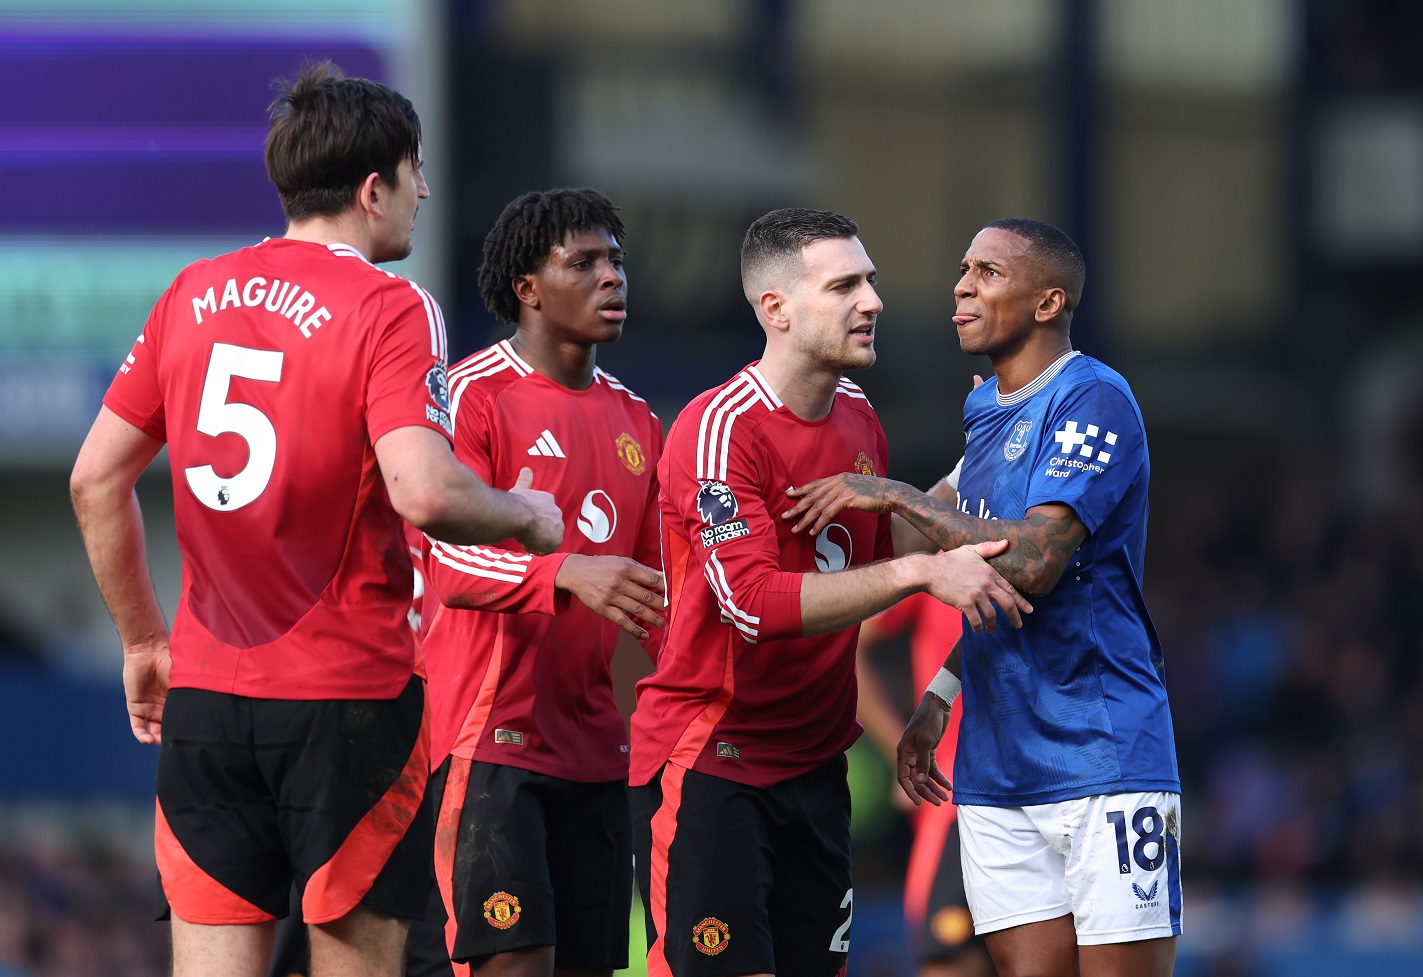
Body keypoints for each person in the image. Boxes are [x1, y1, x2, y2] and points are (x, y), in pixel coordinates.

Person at [68, 62, 563, 977]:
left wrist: (143, 642)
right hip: (349, 706)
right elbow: (425, 492)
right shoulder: (389, 306)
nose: (423, 192)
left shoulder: (191, 292)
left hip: (207, 704)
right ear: (373, 189)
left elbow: (96, 480)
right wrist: (528, 517)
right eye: (415, 174)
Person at [628, 207, 1032, 977]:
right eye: (844, 285)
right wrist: (919, 571)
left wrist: (967, 465)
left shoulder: (857, 417)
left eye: (870, 281)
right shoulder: (720, 427)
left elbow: (877, 553)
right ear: (774, 308)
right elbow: (751, 603)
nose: (871, 301)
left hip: (816, 769)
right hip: (715, 762)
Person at [783, 218, 1181, 977]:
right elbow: (946, 568)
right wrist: (936, 694)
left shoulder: (1093, 396)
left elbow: (1033, 562)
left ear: (1046, 301)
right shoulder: (986, 417)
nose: (961, 285)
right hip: (994, 769)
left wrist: (894, 493)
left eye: (988, 272)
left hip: (1102, 756)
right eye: (963, 269)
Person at [410, 188, 667, 977]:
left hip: (595, 751)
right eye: (582, 263)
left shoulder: (639, 420)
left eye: (615, 261)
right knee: (513, 962)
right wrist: (564, 572)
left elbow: (662, 595)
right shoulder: (468, 395)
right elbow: (446, 562)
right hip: (487, 737)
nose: (610, 277)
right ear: (527, 287)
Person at [854, 588, 995, 977]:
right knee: (948, 958)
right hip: (959, 798)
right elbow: (848, 649)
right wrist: (907, 749)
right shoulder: (940, 559)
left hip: (1049, 791)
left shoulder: (1047, 549)